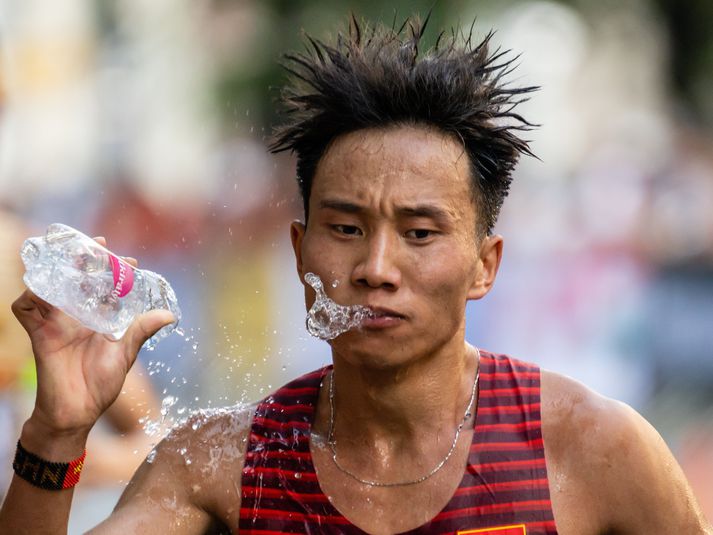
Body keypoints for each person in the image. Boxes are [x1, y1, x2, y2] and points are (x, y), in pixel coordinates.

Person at [1, 15, 712, 535]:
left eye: (419, 233)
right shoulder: (220, 465)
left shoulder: (592, 449)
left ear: (483, 265)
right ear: (300, 253)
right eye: (345, 229)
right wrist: (55, 433)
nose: (375, 268)